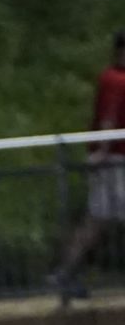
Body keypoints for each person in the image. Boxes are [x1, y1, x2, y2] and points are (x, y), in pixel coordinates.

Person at [53, 30, 125, 300]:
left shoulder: (112, 78)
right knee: (96, 220)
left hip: (113, 160)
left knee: (96, 220)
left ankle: (64, 272)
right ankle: (64, 273)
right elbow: (108, 119)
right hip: (114, 161)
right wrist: (102, 153)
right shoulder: (116, 80)